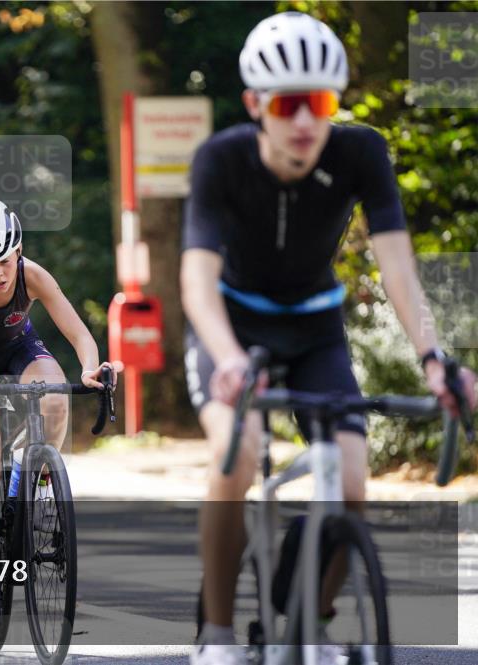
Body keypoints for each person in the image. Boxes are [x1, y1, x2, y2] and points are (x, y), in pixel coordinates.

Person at [180, 12, 476, 665]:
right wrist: (228, 358)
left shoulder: (361, 151)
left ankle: (311, 622)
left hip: (314, 326)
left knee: (351, 477)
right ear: (256, 103)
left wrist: (432, 356)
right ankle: (219, 634)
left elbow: (397, 263)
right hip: (232, 326)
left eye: (319, 102)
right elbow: (196, 279)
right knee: (238, 446)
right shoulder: (221, 158)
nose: (305, 122)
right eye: (288, 104)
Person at [0, 196, 113, 627]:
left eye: (6, 261)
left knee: (55, 399)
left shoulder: (31, 274)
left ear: (18, 250)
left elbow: (79, 334)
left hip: (21, 348)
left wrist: (91, 369)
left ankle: (27, 475)